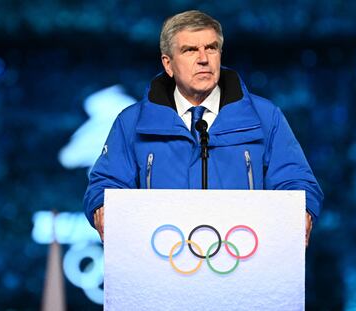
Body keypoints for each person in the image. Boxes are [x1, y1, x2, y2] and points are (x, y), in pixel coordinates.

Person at [84, 10, 323, 245]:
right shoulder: (131, 123)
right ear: (168, 64)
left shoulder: (265, 116)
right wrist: (103, 206)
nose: (203, 59)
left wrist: (301, 210)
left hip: (244, 263)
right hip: (161, 265)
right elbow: (106, 184)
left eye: (211, 48)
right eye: (190, 50)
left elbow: (295, 180)